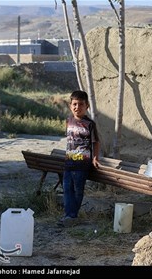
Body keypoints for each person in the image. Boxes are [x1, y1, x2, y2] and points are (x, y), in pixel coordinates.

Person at [57, 90, 100, 227]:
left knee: (78, 190)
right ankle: (69, 215)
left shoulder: (90, 124)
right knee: (67, 189)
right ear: (70, 106)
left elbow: (95, 142)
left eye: (81, 104)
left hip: (82, 164)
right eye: (74, 104)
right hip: (69, 163)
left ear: (87, 106)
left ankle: (71, 216)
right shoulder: (68, 121)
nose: (77, 107)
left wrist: (94, 158)